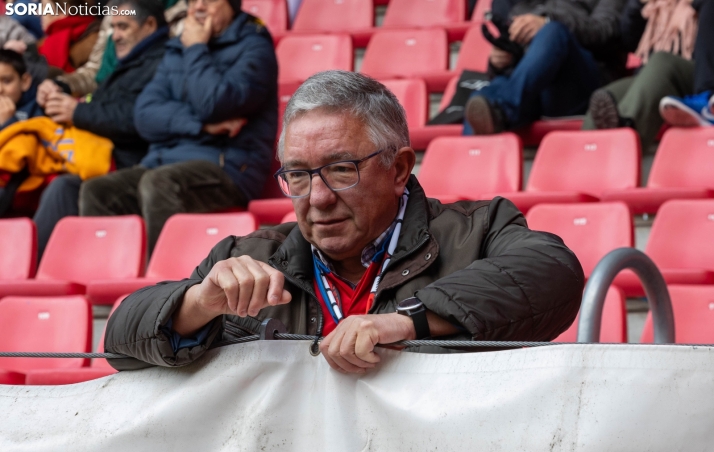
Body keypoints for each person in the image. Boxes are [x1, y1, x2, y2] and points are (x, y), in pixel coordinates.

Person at [104, 71, 585, 374]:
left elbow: (553, 272)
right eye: (296, 174)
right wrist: (195, 304)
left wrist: (406, 323)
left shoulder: (478, 229)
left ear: (398, 169)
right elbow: (119, 342)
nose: (317, 198)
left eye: (340, 170)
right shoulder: (244, 257)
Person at [78, 0, 278, 255]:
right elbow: (144, 116)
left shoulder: (253, 45)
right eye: (193, 1)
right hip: (164, 161)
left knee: (159, 182)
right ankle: (109, 287)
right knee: (98, 190)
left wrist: (196, 47)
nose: (199, 7)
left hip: (227, 167)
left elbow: (214, 104)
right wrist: (200, 125)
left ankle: (163, 287)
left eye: (210, 0)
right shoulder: (176, 48)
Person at [30, 0, 170, 259]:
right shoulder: (130, 61)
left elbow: (137, 118)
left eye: (123, 27)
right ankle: (35, 275)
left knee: (66, 187)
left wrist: (77, 112)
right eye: (113, 27)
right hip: (110, 157)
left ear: (149, 25)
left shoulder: (162, 60)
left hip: (134, 160)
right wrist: (60, 90)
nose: (114, 35)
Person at [463, 0, 627, 135]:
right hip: (535, 87)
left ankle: (502, 110)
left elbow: (606, 30)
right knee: (483, 97)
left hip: (585, 84)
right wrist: (499, 63)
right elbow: (518, 61)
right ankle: (469, 170)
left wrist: (547, 21)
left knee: (553, 32)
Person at [584, 0, 712, 148]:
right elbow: (629, 41)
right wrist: (637, 4)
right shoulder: (657, 5)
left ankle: (624, 143)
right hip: (651, 74)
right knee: (609, 95)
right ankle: (586, 158)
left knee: (661, 62)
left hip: (698, 77)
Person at [0, 49, 42, 130]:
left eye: (7, 81)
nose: (0, 90)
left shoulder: (39, 109)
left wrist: (8, 123)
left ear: (24, 82)